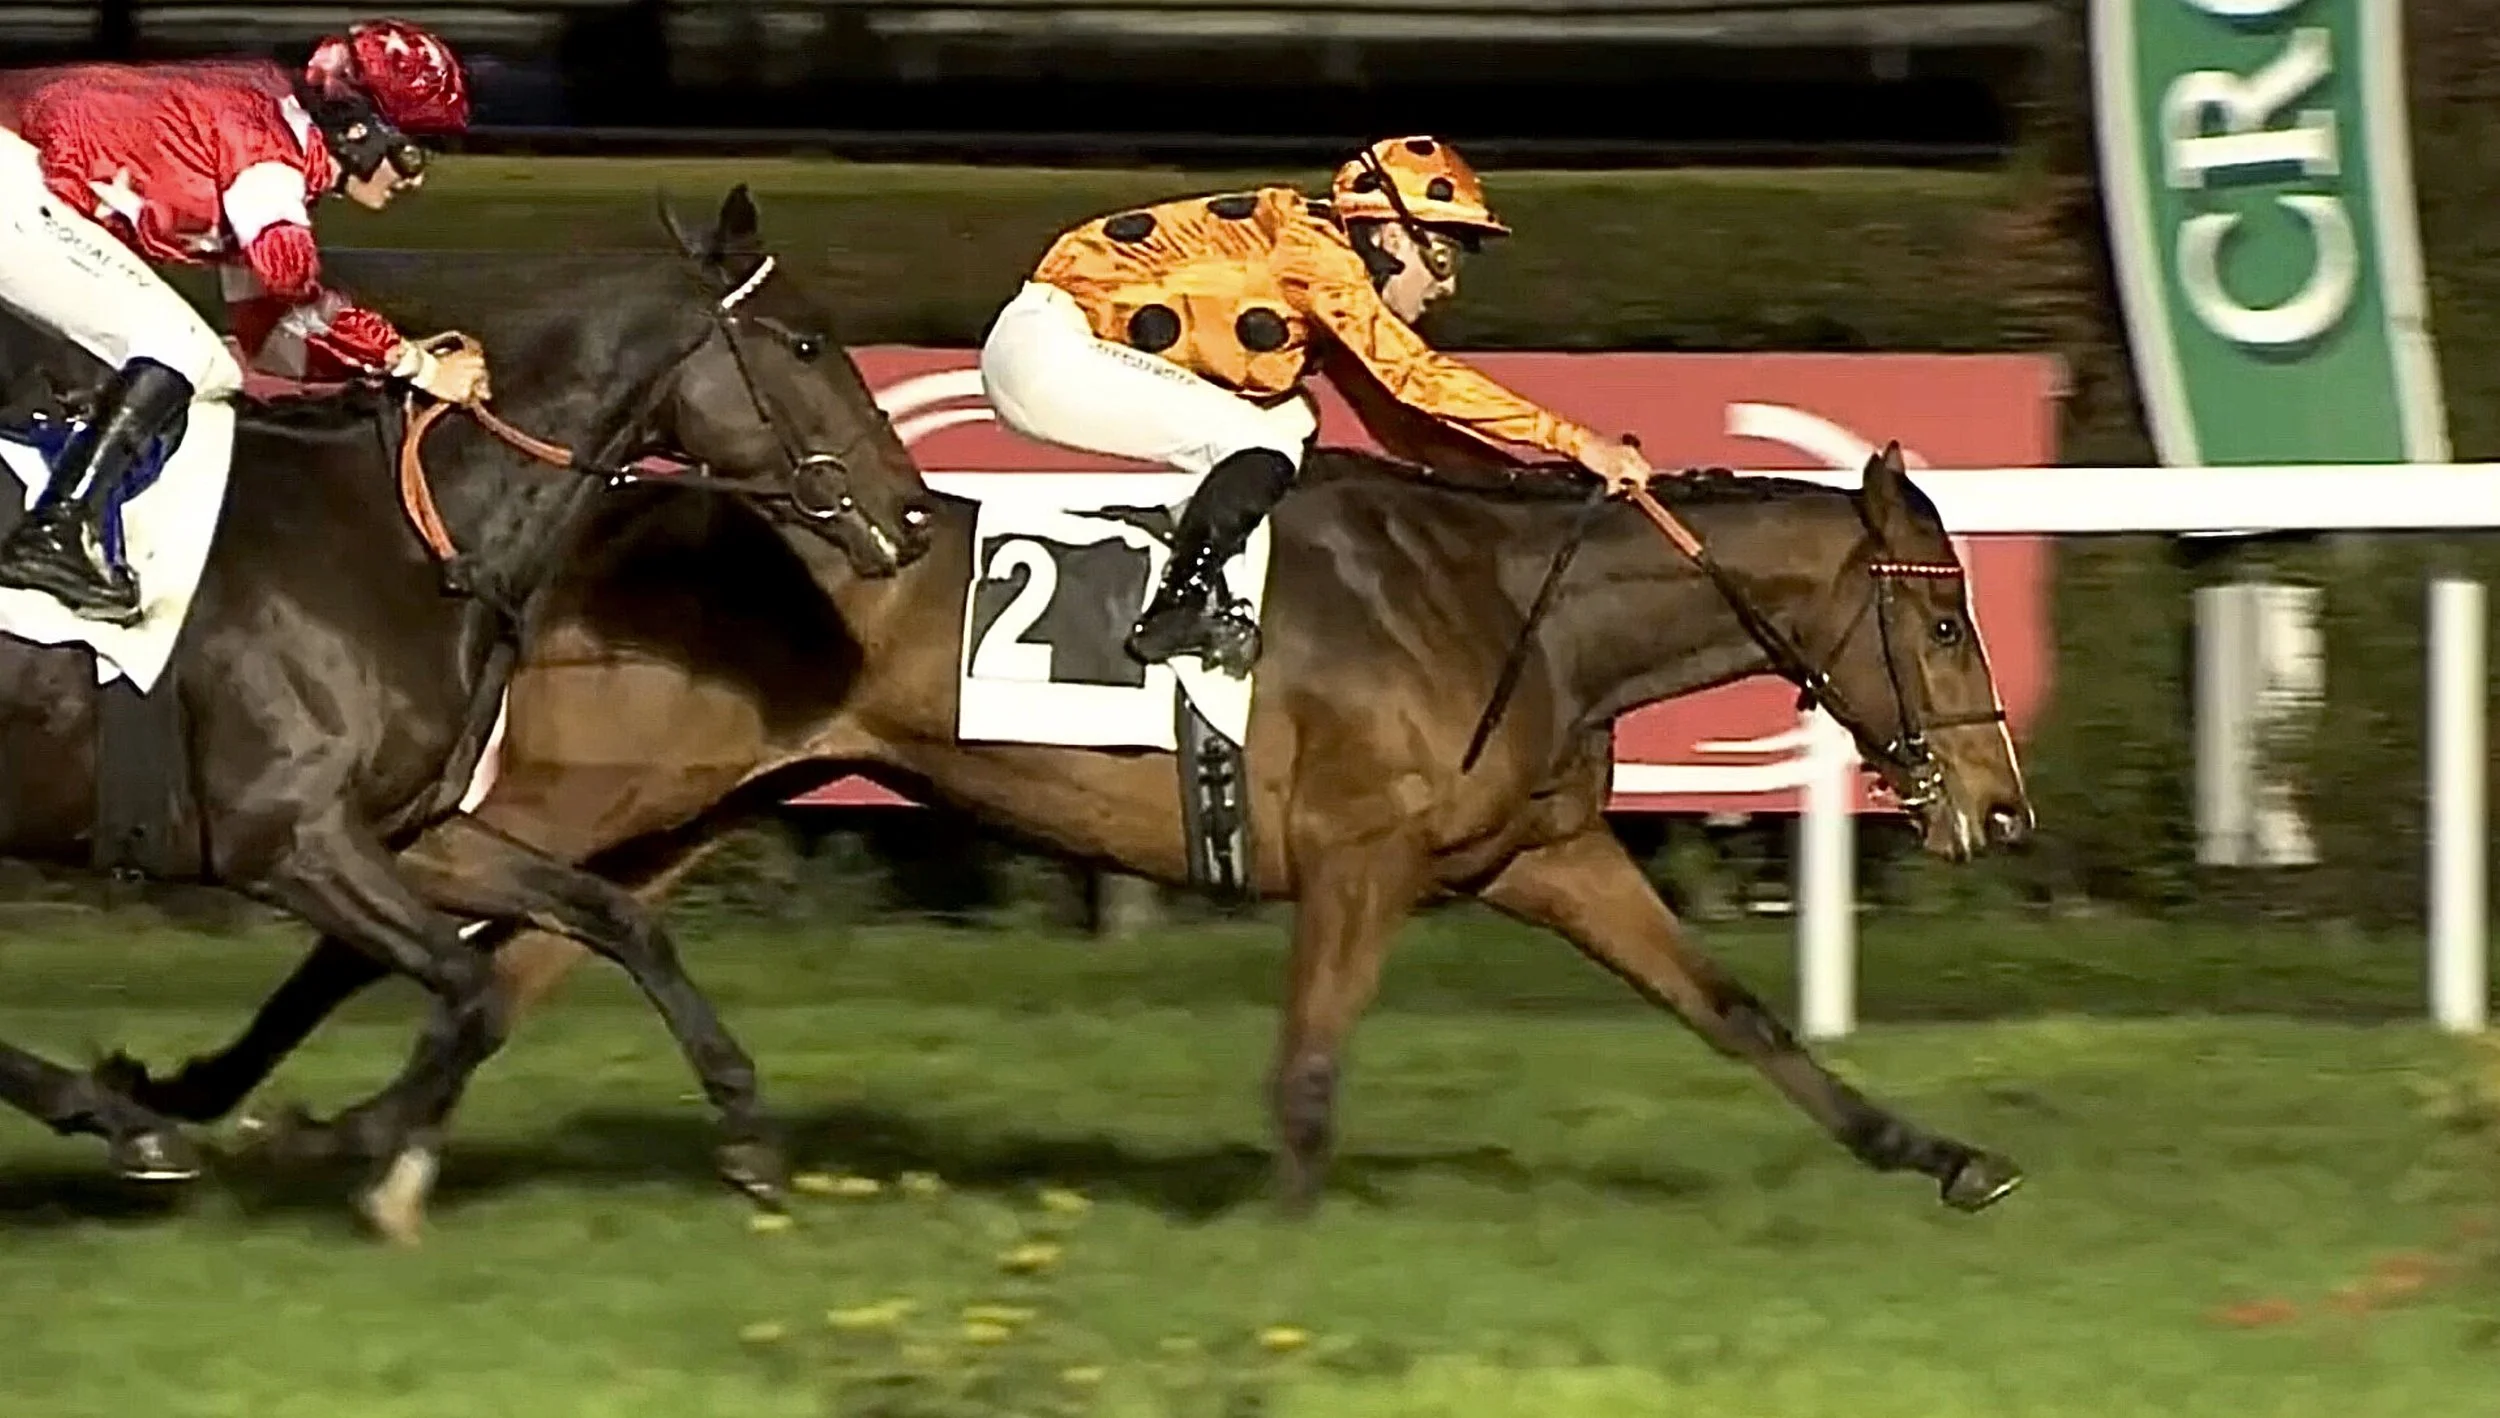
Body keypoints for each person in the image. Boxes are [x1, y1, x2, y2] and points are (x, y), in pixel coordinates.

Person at [978, 134, 1654, 677]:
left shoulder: (1329, 286)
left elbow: (1403, 428)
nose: (1446, 287)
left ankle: (1192, 577)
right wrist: (1577, 442)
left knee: (1288, 423)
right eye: (1443, 258)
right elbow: (1418, 378)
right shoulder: (1319, 260)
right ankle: (1177, 612)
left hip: (1060, 349)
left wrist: (1529, 488)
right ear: (1393, 237)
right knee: (1263, 444)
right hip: (1046, 352)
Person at [0, 20, 490, 627]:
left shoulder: (272, 127)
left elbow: (269, 335)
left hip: (23, 168)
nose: (415, 179)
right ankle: (55, 535)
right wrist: (417, 365)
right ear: (360, 130)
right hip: (15, 174)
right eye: (414, 151)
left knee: (187, 359)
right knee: (180, 347)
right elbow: (296, 291)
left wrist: (389, 369)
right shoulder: (271, 166)